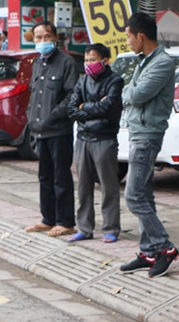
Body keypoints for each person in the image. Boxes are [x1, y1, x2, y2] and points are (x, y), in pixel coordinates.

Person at [118, 12, 179, 278]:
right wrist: (128, 92)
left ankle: (165, 247)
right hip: (138, 132)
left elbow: (137, 94)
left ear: (140, 36)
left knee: (133, 196)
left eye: (129, 37)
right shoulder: (144, 61)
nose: (128, 42)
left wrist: (126, 92)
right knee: (144, 195)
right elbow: (130, 92)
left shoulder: (162, 62)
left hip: (148, 135)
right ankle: (149, 252)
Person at [24, 21, 80, 238]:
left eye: (47, 36)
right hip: (40, 129)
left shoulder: (66, 62)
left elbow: (71, 95)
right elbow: (34, 94)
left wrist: (53, 115)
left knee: (61, 177)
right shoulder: (37, 63)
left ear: (55, 38)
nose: (43, 41)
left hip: (59, 129)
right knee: (44, 176)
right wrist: (31, 116)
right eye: (38, 37)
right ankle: (48, 218)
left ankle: (65, 222)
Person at [67, 43, 124, 243]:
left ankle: (111, 228)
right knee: (83, 187)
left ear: (105, 61)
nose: (88, 64)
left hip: (105, 138)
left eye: (93, 59)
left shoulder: (115, 81)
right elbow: (72, 109)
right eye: (86, 60)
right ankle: (84, 228)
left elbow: (107, 108)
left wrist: (84, 107)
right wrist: (93, 108)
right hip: (83, 138)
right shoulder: (82, 80)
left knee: (108, 186)